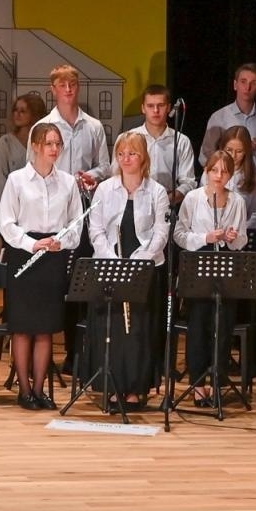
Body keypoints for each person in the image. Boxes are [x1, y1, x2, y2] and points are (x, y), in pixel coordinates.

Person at [0, 122, 81, 409]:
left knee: (45, 328)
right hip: (25, 254)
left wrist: (62, 242)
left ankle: (40, 389)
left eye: (58, 144)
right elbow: (5, 223)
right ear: (35, 146)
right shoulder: (17, 180)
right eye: (49, 143)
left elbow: (75, 224)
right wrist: (32, 244)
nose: (54, 149)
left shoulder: (68, 182)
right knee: (23, 328)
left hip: (53, 258)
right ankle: (24, 390)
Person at [87, 133, 170, 410]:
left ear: (143, 157)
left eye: (132, 154)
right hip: (111, 264)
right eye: (121, 153)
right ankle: (112, 387)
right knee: (112, 329)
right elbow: (95, 229)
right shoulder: (105, 189)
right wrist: (111, 257)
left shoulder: (156, 191)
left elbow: (161, 232)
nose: (126, 159)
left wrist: (140, 259)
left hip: (144, 268)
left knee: (139, 329)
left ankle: (135, 389)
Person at [174, 150, 249, 404]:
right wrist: (206, 238)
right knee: (199, 326)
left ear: (231, 174)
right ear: (207, 171)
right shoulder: (194, 199)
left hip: (226, 263)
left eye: (225, 171)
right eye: (214, 170)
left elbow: (242, 240)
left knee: (223, 325)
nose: (219, 176)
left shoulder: (237, 201)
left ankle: (218, 381)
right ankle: (198, 385)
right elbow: (179, 235)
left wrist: (232, 238)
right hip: (198, 261)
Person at [34, 66, 111, 191]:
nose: (68, 89)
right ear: (53, 89)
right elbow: (32, 168)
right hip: (51, 198)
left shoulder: (94, 126)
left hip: (83, 198)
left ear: (78, 87)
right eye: (62, 85)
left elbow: (105, 166)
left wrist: (88, 176)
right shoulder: (40, 127)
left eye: (72, 84)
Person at [198, 63, 256, 177]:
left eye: (253, 83)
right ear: (235, 85)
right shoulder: (218, 117)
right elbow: (205, 156)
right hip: (226, 180)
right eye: (243, 82)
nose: (247, 88)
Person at [129, 85, 196, 205]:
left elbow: (188, 182)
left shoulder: (181, 141)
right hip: (134, 202)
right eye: (150, 106)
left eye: (160, 105)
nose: (155, 110)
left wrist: (166, 201)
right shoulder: (128, 139)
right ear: (143, 108)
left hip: (169, 203)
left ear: (169, 108)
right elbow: (116, 177)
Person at [205, 125, 256, 234]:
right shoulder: (210, 172)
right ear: (222, 148)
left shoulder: (255, 177)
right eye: (229, 150)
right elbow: (201, 205)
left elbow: (255, 213)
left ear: (246, 151)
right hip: (209, 234)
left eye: (239, 151)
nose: (233, 155)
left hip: (238, 237)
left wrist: (238, 233)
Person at [0, 93, 46, 204]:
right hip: (13, 206)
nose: (17, 114)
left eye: (23, 111)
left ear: (34, 114)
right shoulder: (5, 142)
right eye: (15, 110)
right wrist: (13, 204)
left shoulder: (46, 142)